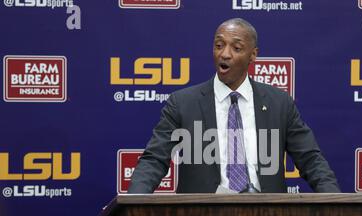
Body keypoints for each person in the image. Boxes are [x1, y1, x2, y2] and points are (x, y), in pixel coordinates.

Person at [128, 18, 340, 194]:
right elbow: (154, 160)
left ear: (253, 55)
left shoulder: (279, 103)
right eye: (219, 45)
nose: (225, 54)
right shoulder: (182, 103)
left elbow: (311, 160)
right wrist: (134, 204)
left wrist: (336, 203)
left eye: (236, 47)